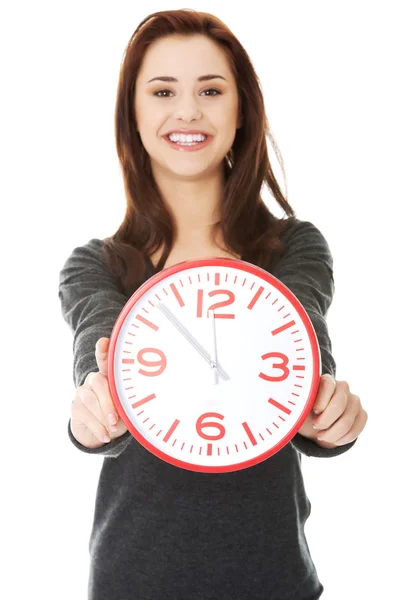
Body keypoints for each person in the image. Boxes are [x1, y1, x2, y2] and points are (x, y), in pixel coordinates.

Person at [58, 9, 368, 599]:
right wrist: (92, 413)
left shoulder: (292, 248)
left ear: (241, 109)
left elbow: (307, 352)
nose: (188, 111)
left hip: (274, 582)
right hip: (133, 582)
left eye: (210, 90)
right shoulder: (97, 266)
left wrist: (331, 415)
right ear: (134, 112)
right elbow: (95, 358)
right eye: (163, 91)